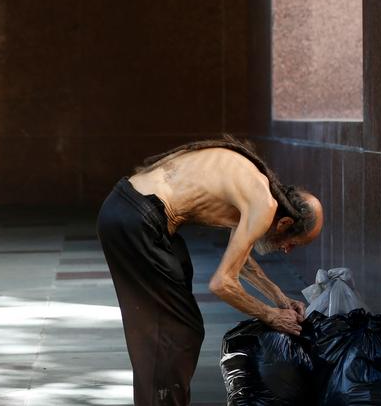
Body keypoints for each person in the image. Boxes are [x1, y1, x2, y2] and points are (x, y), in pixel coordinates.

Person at [96, 135, 323, 406]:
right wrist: (271, 316)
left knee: (173, 325)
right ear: (285, 222)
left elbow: (241, 262)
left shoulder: (257, 186)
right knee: (176, 332)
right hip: (136, 218)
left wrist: (279, 298)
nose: (287, 250)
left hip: (129, 209)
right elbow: (222, 283)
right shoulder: (264, 205)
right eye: (292, 244)